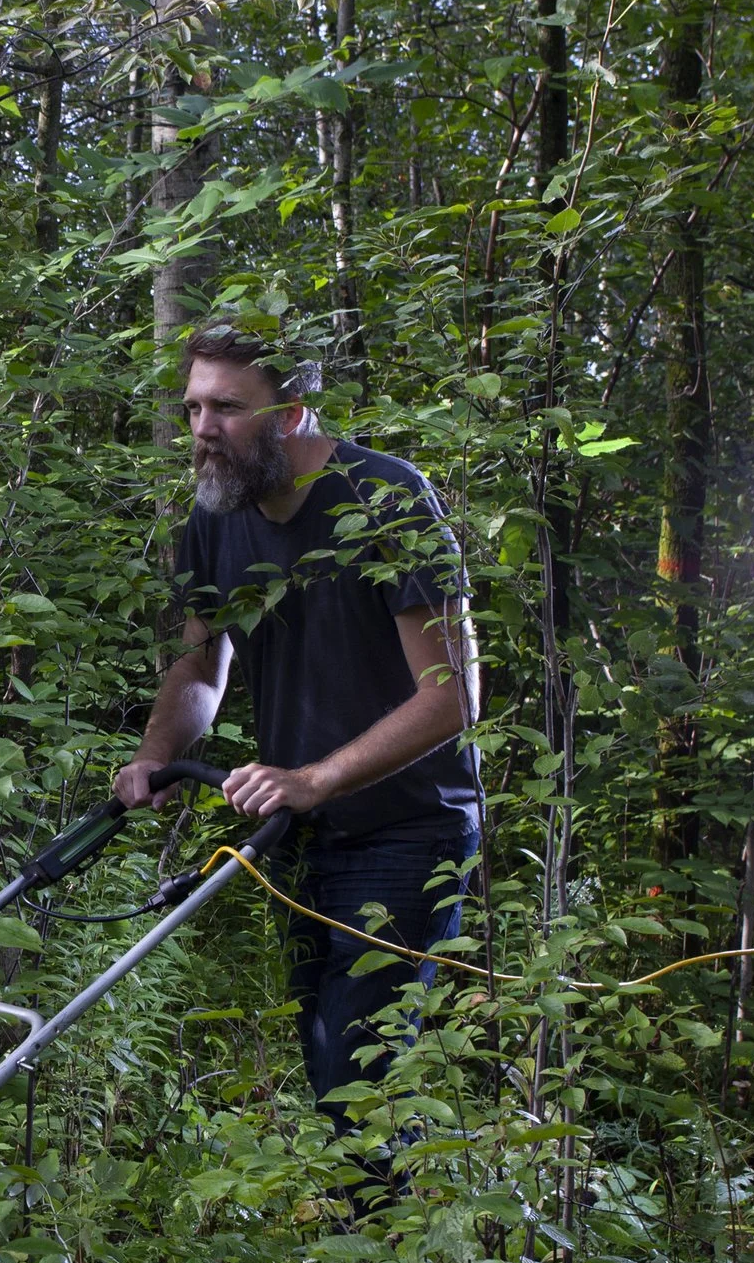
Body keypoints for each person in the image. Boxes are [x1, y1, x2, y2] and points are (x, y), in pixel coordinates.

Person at [112, 318, 483, 1164]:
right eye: (195, 406)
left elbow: (453, 694)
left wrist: (316, 776)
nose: (203, 429)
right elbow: (202, 667)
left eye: (228, 408)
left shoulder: (384, 495)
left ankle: (401, 1260)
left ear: (292, 413)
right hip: (297, 835)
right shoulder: (218, 511)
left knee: (363, 1071)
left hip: (408, 828)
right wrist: (154, 755)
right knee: (328, 1058)